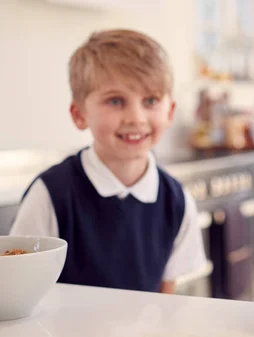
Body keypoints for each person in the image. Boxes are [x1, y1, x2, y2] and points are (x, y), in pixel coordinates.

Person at [10, 29, 207, 294]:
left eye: (150, 100)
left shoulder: (177, 200)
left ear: (170, 111)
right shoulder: (50, 195)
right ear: (79, 115)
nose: (136, 118)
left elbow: (166, 296)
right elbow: (21, 287)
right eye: (116, 101)